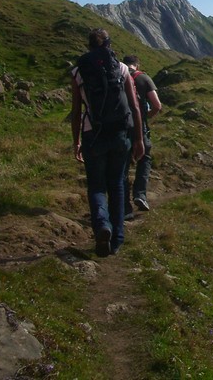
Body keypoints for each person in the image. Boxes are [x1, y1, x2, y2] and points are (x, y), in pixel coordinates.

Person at [71, 29, 144, 257]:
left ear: (89, 45)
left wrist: (77, 141)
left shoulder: (78, 71)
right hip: (120, 134)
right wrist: (139, 138)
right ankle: (117, 239)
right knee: (117, 184)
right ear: (109, 44)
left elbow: (76, 111)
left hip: (93, 134)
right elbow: (133, 106)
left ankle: (102, 225)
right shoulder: (121, 68)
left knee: (96, 186)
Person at [122, 55, 162, 218]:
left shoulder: (118, 76)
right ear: (137, 65)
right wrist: (145, 117)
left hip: (121, 126)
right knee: (144, 158)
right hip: (140, 126)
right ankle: (140, 194)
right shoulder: (144, 78)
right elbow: (157, 105)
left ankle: (124, 206)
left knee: (122, 164)